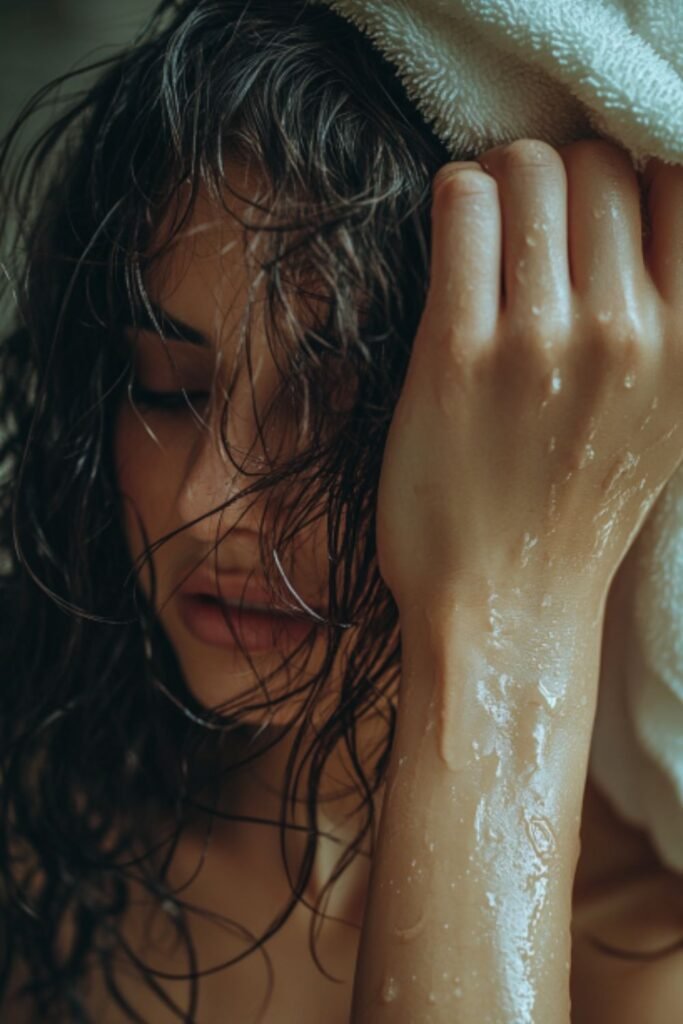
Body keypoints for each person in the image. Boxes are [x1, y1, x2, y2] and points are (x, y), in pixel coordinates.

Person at [1, 1, 681, 1021]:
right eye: (165, 385)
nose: (207, 500)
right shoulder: (32, 801)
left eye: (340, 410)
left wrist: (504, 622)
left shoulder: (646, 952)